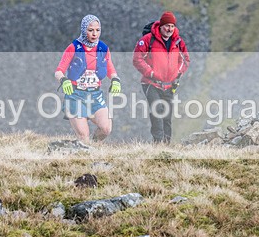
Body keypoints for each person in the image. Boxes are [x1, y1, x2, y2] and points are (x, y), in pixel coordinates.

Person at [55, 14, 122, 143]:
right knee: (83, 136)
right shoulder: (73, 48)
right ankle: (85, 153)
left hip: (95, 95)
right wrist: (64, 80)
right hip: (75, 96)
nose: (94, 33)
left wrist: (115, 79)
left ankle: (95, 148)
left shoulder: (103, 48)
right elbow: (59, 71)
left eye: (97, 30)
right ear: (84, 29)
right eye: (90, 30)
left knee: (106, 129)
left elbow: (110, 69)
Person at [132, 11, 190, 144]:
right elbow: (137, 59)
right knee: (157, 112)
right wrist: (151, 73)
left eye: (172, 26)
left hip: (170, 85)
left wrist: (178, 73)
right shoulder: (148, 40)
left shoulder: (178, 41)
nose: (169, 29)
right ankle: (158, 144)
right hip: (151, 83)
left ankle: (166, 145)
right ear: (161, 26)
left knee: (167, 117)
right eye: (167, 26)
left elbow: (185, 60)